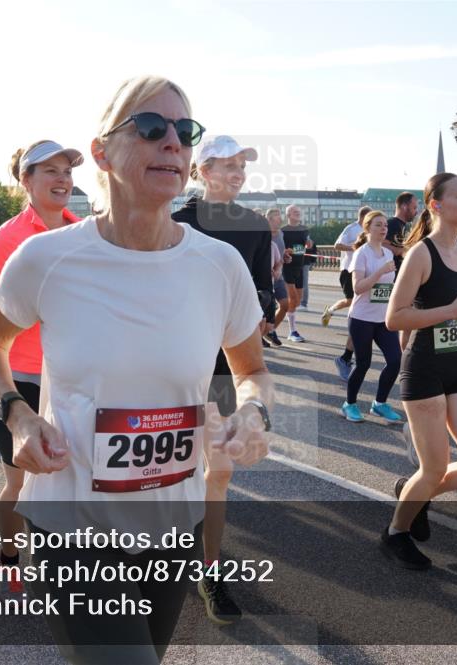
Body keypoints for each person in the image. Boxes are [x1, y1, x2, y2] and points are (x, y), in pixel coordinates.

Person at [0, 75, 271, 663]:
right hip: (73, 522)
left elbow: (251, 368)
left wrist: (254, 411)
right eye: (151, 128)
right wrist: (19, 415)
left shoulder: (219, 265)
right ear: (104, 152)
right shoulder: (47, 257)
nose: (172, 144)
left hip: (174, 522)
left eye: (184, 132)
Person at [0, 137, 84, 597]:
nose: (62, 179)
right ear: (25, 180)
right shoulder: (7, 240)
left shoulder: (84, 233)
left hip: (71, 381)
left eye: (67, 171)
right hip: (21, 383)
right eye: (49, 171)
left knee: (67, 479)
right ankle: (11, 554)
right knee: (21, 483)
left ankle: (62, 567)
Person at [171, 134, 274, 624]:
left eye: (242, 166)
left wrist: (263, 311)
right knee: (167, 474)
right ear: (203, 170)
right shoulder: (174, 221)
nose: (237, 173)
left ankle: (209, 568)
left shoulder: (255, 227)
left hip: (221, 371)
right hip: (169, 367)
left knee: (220, 470)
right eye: (227, 165)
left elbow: (263, 293)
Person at [383, 172, 457, 570]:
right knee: (432, 467)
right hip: (425, 369)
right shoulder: (421, 254)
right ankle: (396, 532)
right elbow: (395, 318)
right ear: (436, 205)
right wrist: (451, 312)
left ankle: (415, 493)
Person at [340, 210, 404, 424]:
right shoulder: (362, 253)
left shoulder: (388, 254)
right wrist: (380, 273)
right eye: (378, 225)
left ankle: (379, 404)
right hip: (362, 318)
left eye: (385, 225)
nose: (384, 228)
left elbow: (389, 288)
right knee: (363, 363)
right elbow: (358, 288)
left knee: (395, 361)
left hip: (383, 318)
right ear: (367, 228)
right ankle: (349, 404)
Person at [324, 206, 369, 380]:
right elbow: (336, 245)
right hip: (349, 270)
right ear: (363, 217)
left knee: (353, 302)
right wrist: (355, 248)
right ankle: (333, 313)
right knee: (352, 301)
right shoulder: (352, 229)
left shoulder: (369, 230)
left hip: (363, 271)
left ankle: (332, 312)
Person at [281, 205, 312, 342]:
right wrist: (286, 251)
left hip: (299, 267)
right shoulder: (283, 231)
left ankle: (281, 314)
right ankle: (292, 331)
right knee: (293, 299)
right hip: (287, 267)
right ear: (288, 215)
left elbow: (308, 245)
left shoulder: (304, 229)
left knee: (297, 301)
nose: (298, 214)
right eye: (294, 212)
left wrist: (309, 243)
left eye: (299, 212)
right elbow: (278, 248)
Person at [265, 208, 290, 347]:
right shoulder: (262, 234)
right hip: (263, 277)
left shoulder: (280, 233)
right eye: (277, 218)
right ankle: (263, 332)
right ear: (268, 219)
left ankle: (271, 330)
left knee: (285, 305)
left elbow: (280, 254)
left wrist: (285, 258)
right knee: (262, 309)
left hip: (278, 276)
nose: (280, 220)